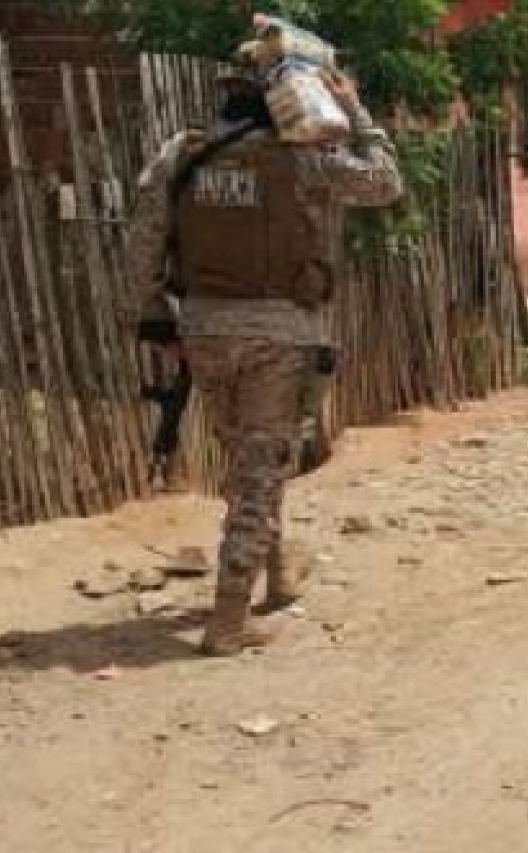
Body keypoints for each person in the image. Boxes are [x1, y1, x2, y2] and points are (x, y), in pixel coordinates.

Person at [126, 59, 402, 655]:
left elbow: (143, 239)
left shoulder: (182, 153)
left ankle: (276, 576)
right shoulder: (305, 159)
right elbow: (384, 182)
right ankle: (228, 619)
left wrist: (155, 311)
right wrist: (354, 110)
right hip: (280, 333)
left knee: (250, 460)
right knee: (262, 467)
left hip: (202, 328)